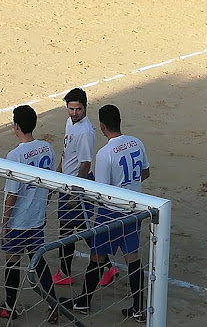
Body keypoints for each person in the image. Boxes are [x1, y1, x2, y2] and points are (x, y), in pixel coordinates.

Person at [60, 104, 151, 323]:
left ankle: (83, 301)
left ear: (102, 126)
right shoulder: (137, 142)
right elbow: (145, 173)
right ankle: (139, 307)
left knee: (96, 256)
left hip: (110, 214)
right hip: (133, 209)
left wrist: (78, 197)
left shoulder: (105, 154)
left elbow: (102, 192)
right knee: (132, 258)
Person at [0, 105, 59, 323]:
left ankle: (10, 306)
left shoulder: (14, 156)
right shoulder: (47, 148)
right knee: (38, 261)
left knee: (12, 261)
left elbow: (12, 195)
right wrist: (44, 207)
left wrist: (4, 223)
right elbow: (50, 184)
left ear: (16, 126)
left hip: (19, 221)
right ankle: (53, 305)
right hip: (37, 218)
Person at [52, 87, 97, 286]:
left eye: (78, 109)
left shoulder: (85, 132)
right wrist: (58, 171)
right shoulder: (70, 123)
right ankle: (107, 266)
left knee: (67, 230)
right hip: (68, 183)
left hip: (77, 185)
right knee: (80, 227)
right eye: (71, 109)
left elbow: (85, 164)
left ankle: (65, 273)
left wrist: (75, 193)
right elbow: (67, 151)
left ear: (85, 108)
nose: (74, 113)